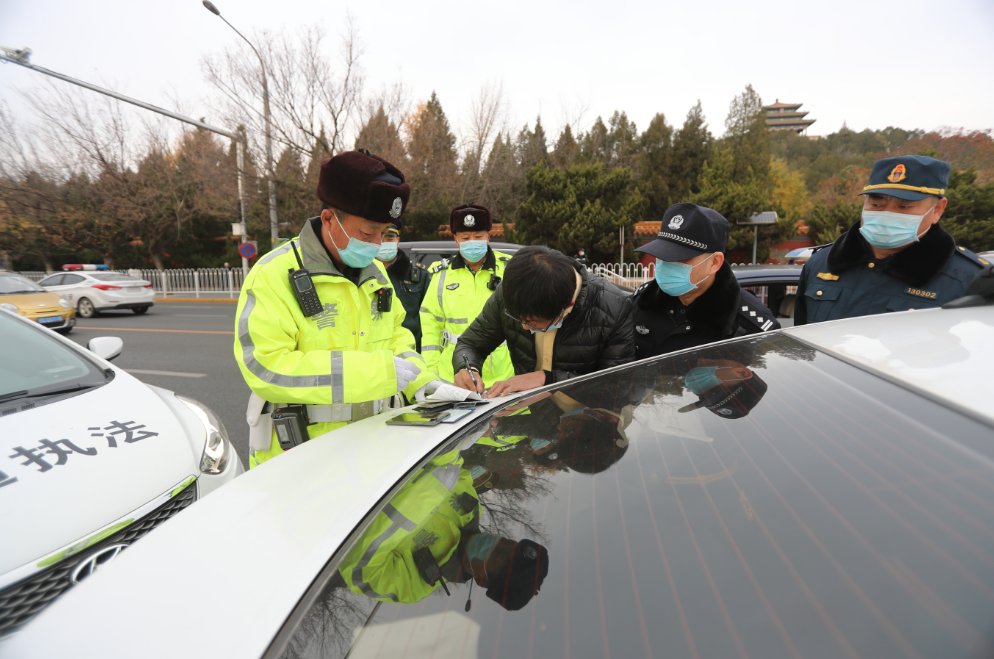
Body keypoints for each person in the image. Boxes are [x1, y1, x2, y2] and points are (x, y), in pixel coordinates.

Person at [234, 150, 434, 468]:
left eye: (384, 233)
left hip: (374, 447)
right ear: (329, 219)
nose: (376, 243)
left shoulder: (376, 274)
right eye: (368, 233)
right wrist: (377, 374)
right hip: (300, 456)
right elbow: (264, 368)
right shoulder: (272, 275)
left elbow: (398, 338)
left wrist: (423, 382)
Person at [795, 155, 987, 324]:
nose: (886, 214)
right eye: (876, 204)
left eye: (904, 207)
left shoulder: (969, 280)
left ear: (938, 210)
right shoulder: (821, 264)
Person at [452, 245, 634, 398]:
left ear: (567, 305)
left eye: (533, 322)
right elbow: (470, 344)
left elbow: (619, 388)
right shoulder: (512, 295)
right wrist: (467, 367)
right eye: (519, 318)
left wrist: (548, 380)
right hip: (535, 420)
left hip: (592, 424)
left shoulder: (613, 308)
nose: (523, 326)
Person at [631, 202, 779, 359]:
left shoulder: (750, 325)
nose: (667, 264)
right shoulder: (641, 302)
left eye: (680, 258)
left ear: (714, 262)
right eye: (662, 255)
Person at [419, 205, 515, 387]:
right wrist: (431, 373)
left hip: (504, 378)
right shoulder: (441, 275)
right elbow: (430, 328)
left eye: (478, 237)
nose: (472, 242)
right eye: (465, 238)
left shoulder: (510, 269)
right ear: (455, 239)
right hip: (453, 378)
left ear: (488, 235)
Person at [376, 223, 431, 351]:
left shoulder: (419, 277)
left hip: (409, 351)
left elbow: (429, 320)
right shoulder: (360, 273)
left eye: (389, 239)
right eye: (380, 238)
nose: (384, 243)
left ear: (398, 240)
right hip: (374, 353)